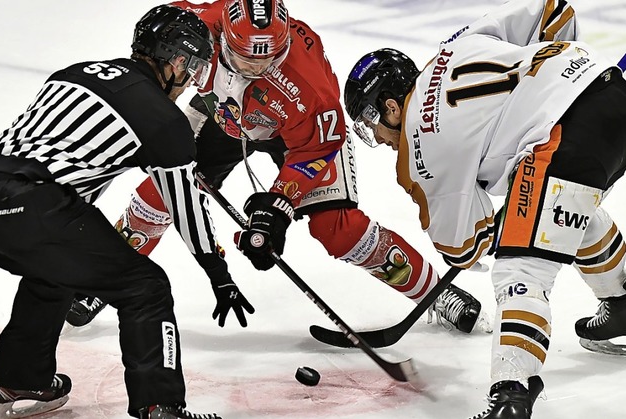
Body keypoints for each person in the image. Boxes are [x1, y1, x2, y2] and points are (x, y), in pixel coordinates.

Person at [66, 0, 489, 339]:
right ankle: (105, 280)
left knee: (335, 229)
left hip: (303, 137)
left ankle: (436, 293)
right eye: (246, 59)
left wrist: (277, 206)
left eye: (270, 58)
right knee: (164, 188)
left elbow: (318, 145)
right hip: (224, 116)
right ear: (223, 36)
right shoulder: (200, 25)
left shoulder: (307, 84)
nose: (258, 68)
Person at [342, 0, 626, 418]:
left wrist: (493, 229)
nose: (380, 138)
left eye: (371, 123)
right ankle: (621, 303)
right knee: (559, 206)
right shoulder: (452, 48)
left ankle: (510, 395)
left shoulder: (416, 155)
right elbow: (554, 11)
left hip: (563, 140)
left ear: (389, 105)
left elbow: (462, 250)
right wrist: (553, 84)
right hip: (612, 94)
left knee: (520, 268)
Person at [0, 5, 246, 418]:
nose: (190, 79)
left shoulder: (76, 71)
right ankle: (160, 406)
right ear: (176, 60)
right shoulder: (164, 119)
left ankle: (22, 376)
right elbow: (184, 208)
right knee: (145, 286)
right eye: (192, 65)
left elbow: (69, 168)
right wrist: (218, 273)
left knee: (57, 269)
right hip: (35, 202)